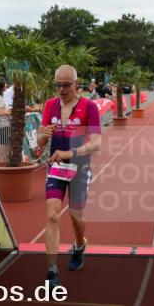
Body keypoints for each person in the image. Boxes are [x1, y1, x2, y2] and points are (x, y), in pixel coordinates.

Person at [35, 65, 102, 287]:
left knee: (76, 217)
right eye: (58, 85)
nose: (61, 89)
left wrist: (71, 152)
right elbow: (40, 141)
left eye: (66, 85)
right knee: (52, 214)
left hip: (79, 168)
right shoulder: (50, 105)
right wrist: (42, 136)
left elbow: (96, 143)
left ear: (76, 83)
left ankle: (80, 243)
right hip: (56, 166)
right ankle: (52, 271)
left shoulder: (89, 107)